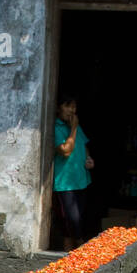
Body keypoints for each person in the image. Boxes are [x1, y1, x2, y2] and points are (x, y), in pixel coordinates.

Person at [53, 95, 94, 250]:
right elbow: (66, 151)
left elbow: (83, 144)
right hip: (65, 182)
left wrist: (88, 158)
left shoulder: (75, 127)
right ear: (58, 108)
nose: (72, 110)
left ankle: (69, 248)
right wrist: (74, 128)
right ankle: (80, 244)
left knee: (77, 217)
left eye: (74, 107)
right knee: (72, 217)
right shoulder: (56, 128)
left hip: (81, 179)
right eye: (67, 105)